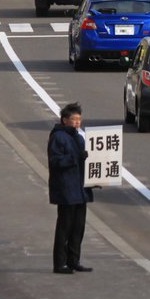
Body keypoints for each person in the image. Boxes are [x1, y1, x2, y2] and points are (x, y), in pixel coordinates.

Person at [48, 102, 93, 274]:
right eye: (73, 119)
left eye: (79, 119)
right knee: (64, 227)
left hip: (80, 189)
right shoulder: (58, 137)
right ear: (64, 120)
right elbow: (55, 161)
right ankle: (59, 263)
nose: (77, 123)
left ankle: (74, 260)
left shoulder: (79, 137)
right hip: (66, 188)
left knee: (78, 227)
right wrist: (76, 157)